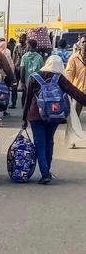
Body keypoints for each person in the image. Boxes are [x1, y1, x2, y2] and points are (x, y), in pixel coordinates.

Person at [23, 55, 86, 184]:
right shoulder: (59, 78)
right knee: (49, 141)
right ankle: (47, 170)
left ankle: (45, 173)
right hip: (54, 115)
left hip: (35, 115)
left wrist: (24, 118)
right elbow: (74, 92)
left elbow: (27, 99)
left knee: (39, 144)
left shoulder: (34, 77)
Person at [66, 40, 86, 117]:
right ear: (79, 45)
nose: (85, 44)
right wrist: (69, 90)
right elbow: (69, 74)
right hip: (78, 91)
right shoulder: (74, 58)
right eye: (83, 42)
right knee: (75, 117)